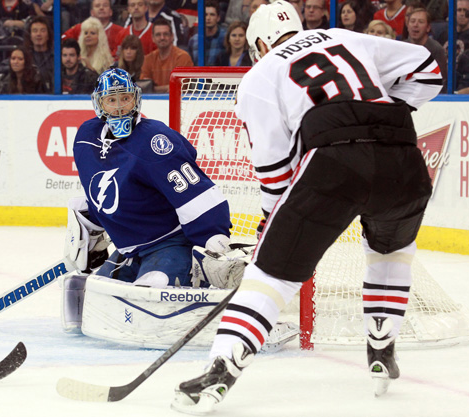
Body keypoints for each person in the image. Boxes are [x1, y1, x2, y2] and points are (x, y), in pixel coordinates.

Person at [172, 1, 442, 413]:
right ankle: (382, 349)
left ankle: (221, 368)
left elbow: (276, 169)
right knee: (391, 249)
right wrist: (379, 115)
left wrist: (271, 223)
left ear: (260, 43)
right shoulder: (346, 37)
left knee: (271, 273)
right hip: (402, 154)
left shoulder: (259, 75)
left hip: (336, 162)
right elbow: (428, 68)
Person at [62, 67, 233, 331]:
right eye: (112, 100)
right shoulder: (87, 137)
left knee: (148, 298)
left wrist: (213, 245)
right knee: (92, 298)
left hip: (171, 244)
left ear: (136, 98)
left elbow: (197, 196)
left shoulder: (155, 140)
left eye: (125, 98)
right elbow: (103, 193)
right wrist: (90, 235)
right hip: (129, 250)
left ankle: (191, 273)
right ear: (99, 103)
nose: (119, 108)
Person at [140, 17, 193, 93]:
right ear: (153, 38)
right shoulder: (148, 59)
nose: (162, 38)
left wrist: (153, 89)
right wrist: (166, 88)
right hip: (152, 102)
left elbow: (179, 87)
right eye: (158, 34)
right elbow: (144, 87)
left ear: (172, 36)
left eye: (165, 34)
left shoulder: (182, 57)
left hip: (179, 102)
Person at [405, 8, 447, 92]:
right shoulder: (402, 47)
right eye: (412, 21)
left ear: (428, 28)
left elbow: (441, 81)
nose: (415, 25)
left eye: (420, 22)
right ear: (408, 26)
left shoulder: (436, 49)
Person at [188, 0, 226, 66]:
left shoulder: (225, 38)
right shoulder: (193, 40)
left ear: (218, 18)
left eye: (212, 15)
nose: (208, 18)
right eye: (205, 15)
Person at [24, 16, 54, 92]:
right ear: (30, 36)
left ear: (48, 35)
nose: (38, 34)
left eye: (42, 31)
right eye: (35, 31)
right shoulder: (24, 56)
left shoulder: (56, 56)